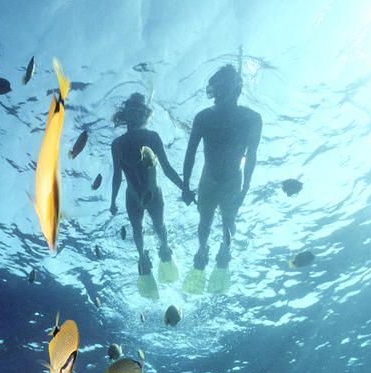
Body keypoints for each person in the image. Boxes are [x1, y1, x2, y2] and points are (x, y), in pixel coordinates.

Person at [181, 64, 262, 294]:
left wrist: (245, 188)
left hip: (227, 180)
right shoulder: (209, 117)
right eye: (218, 87)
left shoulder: (250, 119)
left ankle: (219, 250)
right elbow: (190, 154)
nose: (219, 92)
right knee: (208, 222)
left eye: (223, 87)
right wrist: (185, 186)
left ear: (235, 88)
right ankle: (204, 249)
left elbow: (252, 155)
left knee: (225, 222)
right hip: (218, 179)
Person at [110, 93, 184, 298]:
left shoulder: (153, 137)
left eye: (139, 111)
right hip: (132, 194)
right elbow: (116, 175)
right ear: (126, 115)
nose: (135, 115)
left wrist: (184, 188)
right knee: (137, 229)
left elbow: (167, 169)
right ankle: (143, 257)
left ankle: (164, 249)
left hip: (152, 192)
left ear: (144, 114)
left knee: (159, 227)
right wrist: (112, 200)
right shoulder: (117, 144)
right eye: (132, 111)